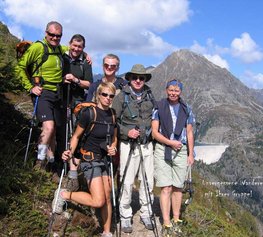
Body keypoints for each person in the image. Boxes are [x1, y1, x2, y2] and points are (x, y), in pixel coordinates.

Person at [53, 82, 118, 237]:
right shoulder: (89, 113)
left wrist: (113, 147)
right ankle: (64, 194)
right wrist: (69, 152)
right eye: (105, 95)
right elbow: (76, 136)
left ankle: (107, 232)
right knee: (98, 201)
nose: (108, 98)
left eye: (111, 96)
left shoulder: (113, 114)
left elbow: (114, 138)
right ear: (98, 95)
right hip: (89, 159)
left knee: (107, 197)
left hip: (104, 160)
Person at [112, 64, 156, 233]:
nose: (138, 81)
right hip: (127, 145)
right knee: (127, 180)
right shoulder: (121, 96)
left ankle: (146, 212)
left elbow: (155, 116)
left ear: (145, 80)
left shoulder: (149, 95)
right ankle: (125, 215)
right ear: (129, 78)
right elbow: (113, 119)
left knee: (147, 181)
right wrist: (125, 131)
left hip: (146, 144)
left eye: (141, 78)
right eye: (135, 77)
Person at [16, 21, 66, 169]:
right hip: (42, 92)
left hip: (57, 94)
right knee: (49, 128)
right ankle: (39, 163)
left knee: (54, 130)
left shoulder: (59, 49)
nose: (55, 38)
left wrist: (85, 54)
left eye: (58, 36)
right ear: (46, 33)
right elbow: (20, 67)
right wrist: (30, 87)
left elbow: (71, 49)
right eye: (52, 35)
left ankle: (50, 165)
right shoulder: (38, 47)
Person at [151, 79, 195, 237]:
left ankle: (176, 220)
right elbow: (155, 132)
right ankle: (166, 222)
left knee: (177, 187)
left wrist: (190, 153)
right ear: (166, 90)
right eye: (171, 90)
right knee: (166, 187)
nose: (173, 93)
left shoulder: (186, 109)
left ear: (180, 92)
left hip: (181, 151)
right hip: (163, 149)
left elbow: (189, 132)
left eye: (176, 91)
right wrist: (170, 142)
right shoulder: (159, 107)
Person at [57, 34, 93, 191]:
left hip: (77, 102)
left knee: (75, 135)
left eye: (80, 47)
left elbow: (89, 84)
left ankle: (72, 172)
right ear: (69, 44)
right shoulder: (61, 56)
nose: (76, 49)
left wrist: (76, 80)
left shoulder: (85, 62)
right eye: (74, 45)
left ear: (83, 48)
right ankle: (57, 164)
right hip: (61, 98)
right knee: (60, 131)